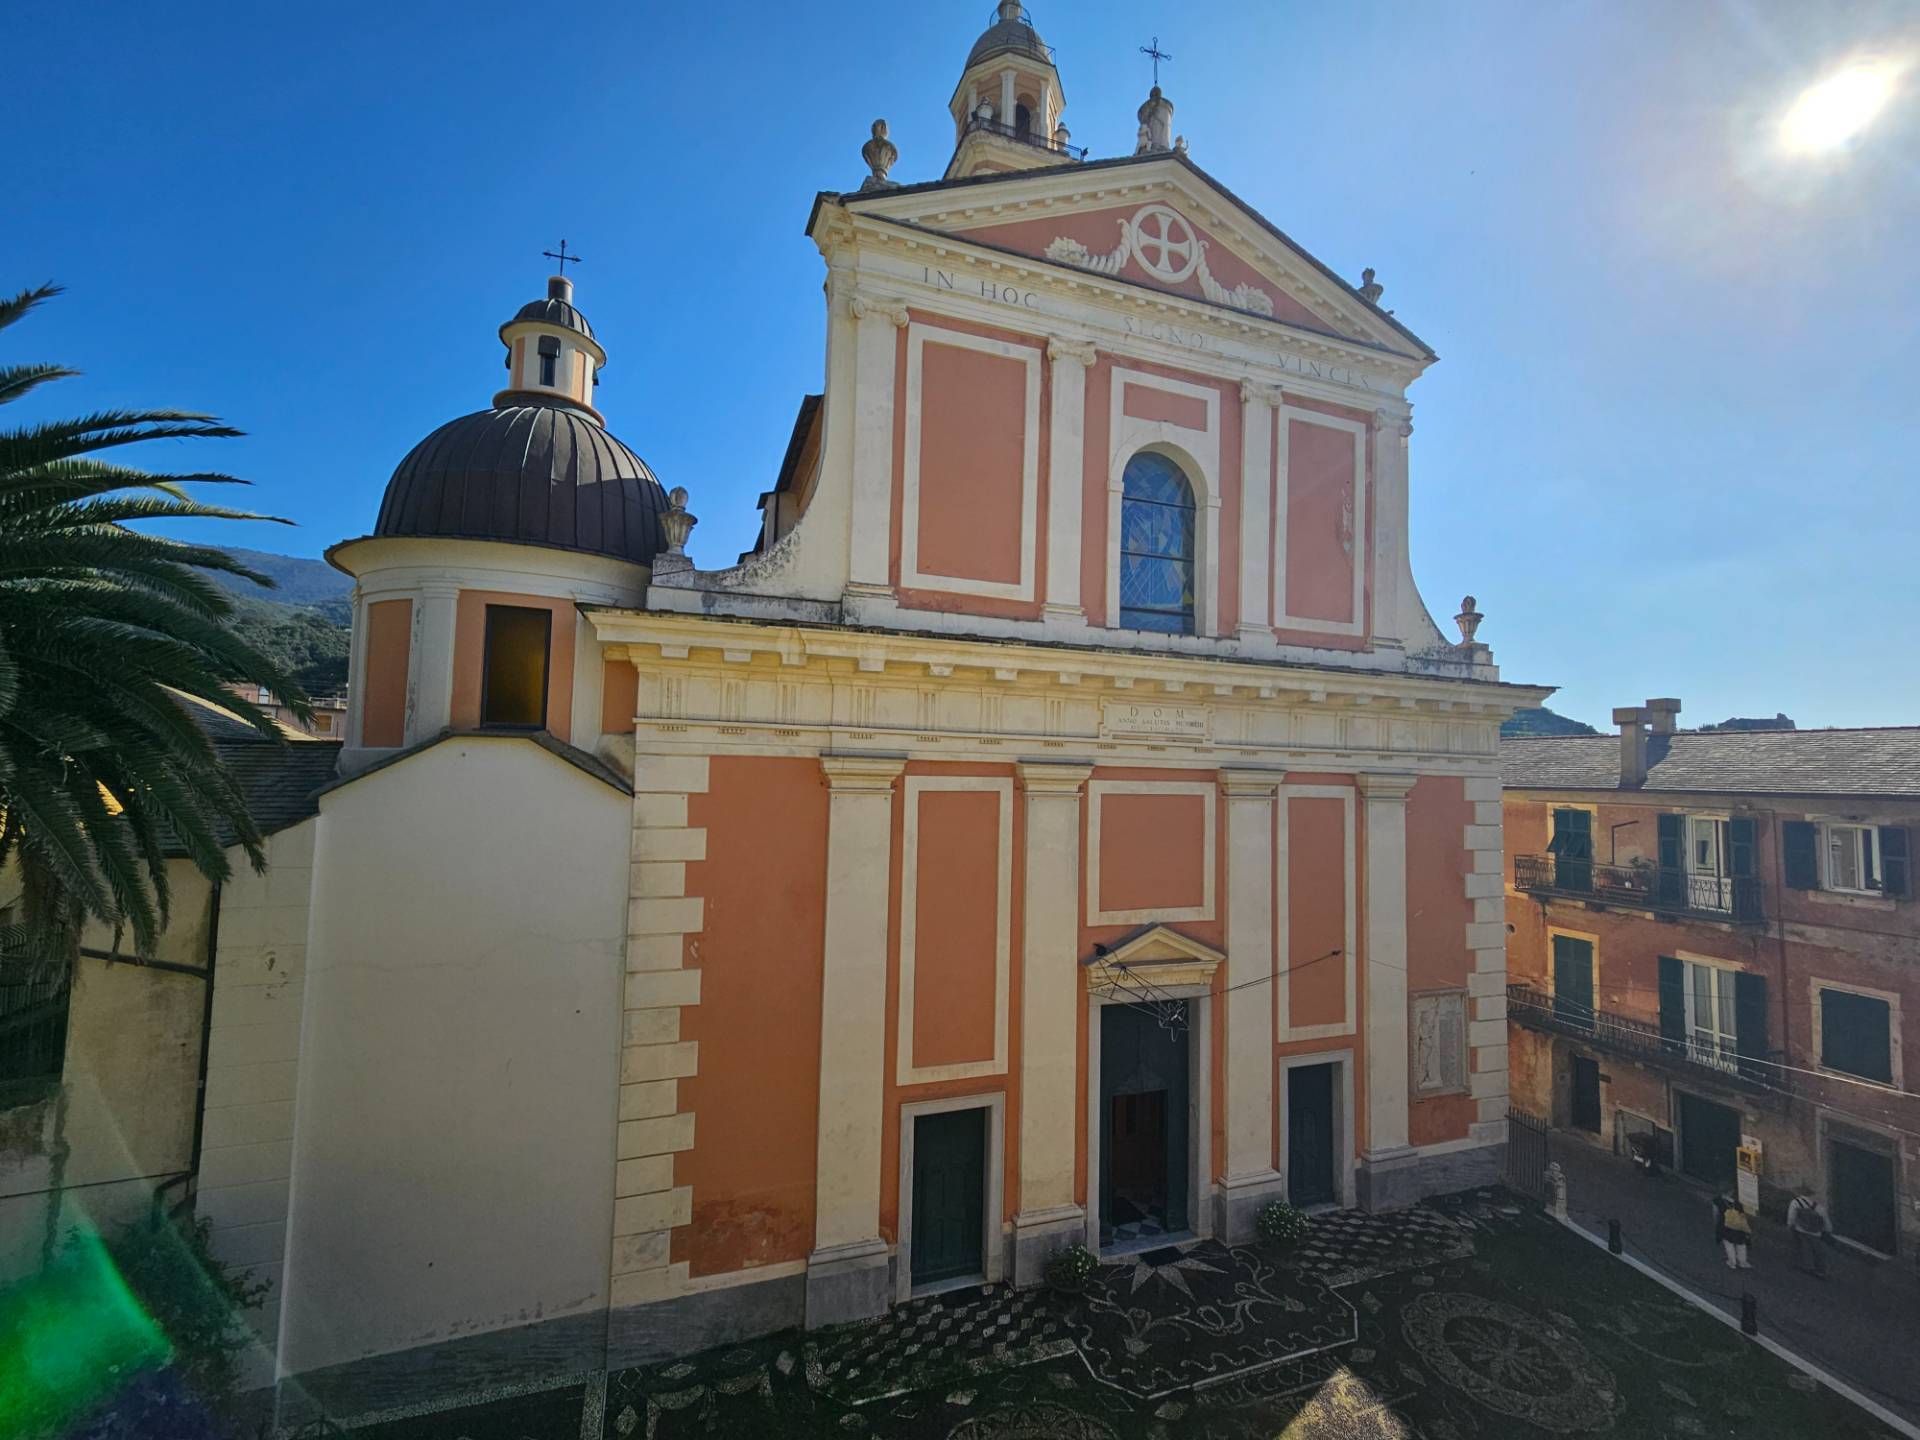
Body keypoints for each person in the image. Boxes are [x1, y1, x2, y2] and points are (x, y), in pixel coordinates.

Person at [1787, 1187, 1831, 1277]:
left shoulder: (1795, 1202)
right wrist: (1827, 1230)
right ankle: (1820, 1270)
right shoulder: (1818, 1206)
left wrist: (1790, 1226)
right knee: (1817, 1251)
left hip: (1800, 1229)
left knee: (1803, 1248)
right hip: (1815, 1232)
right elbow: (1825, 1220)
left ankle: (1806, 1266)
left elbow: (1791, 1217)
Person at [1716, 1194, 1754, 1270]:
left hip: (1727, 1227)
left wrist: (1718, 1232)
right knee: (1741, 1245)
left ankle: (1732, 1262)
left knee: (1729, 1245)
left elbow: (1717, 1217)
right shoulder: (1740, 1202)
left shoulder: (1719, 1201)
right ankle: (1743, 1262)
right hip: (1739, 1227)